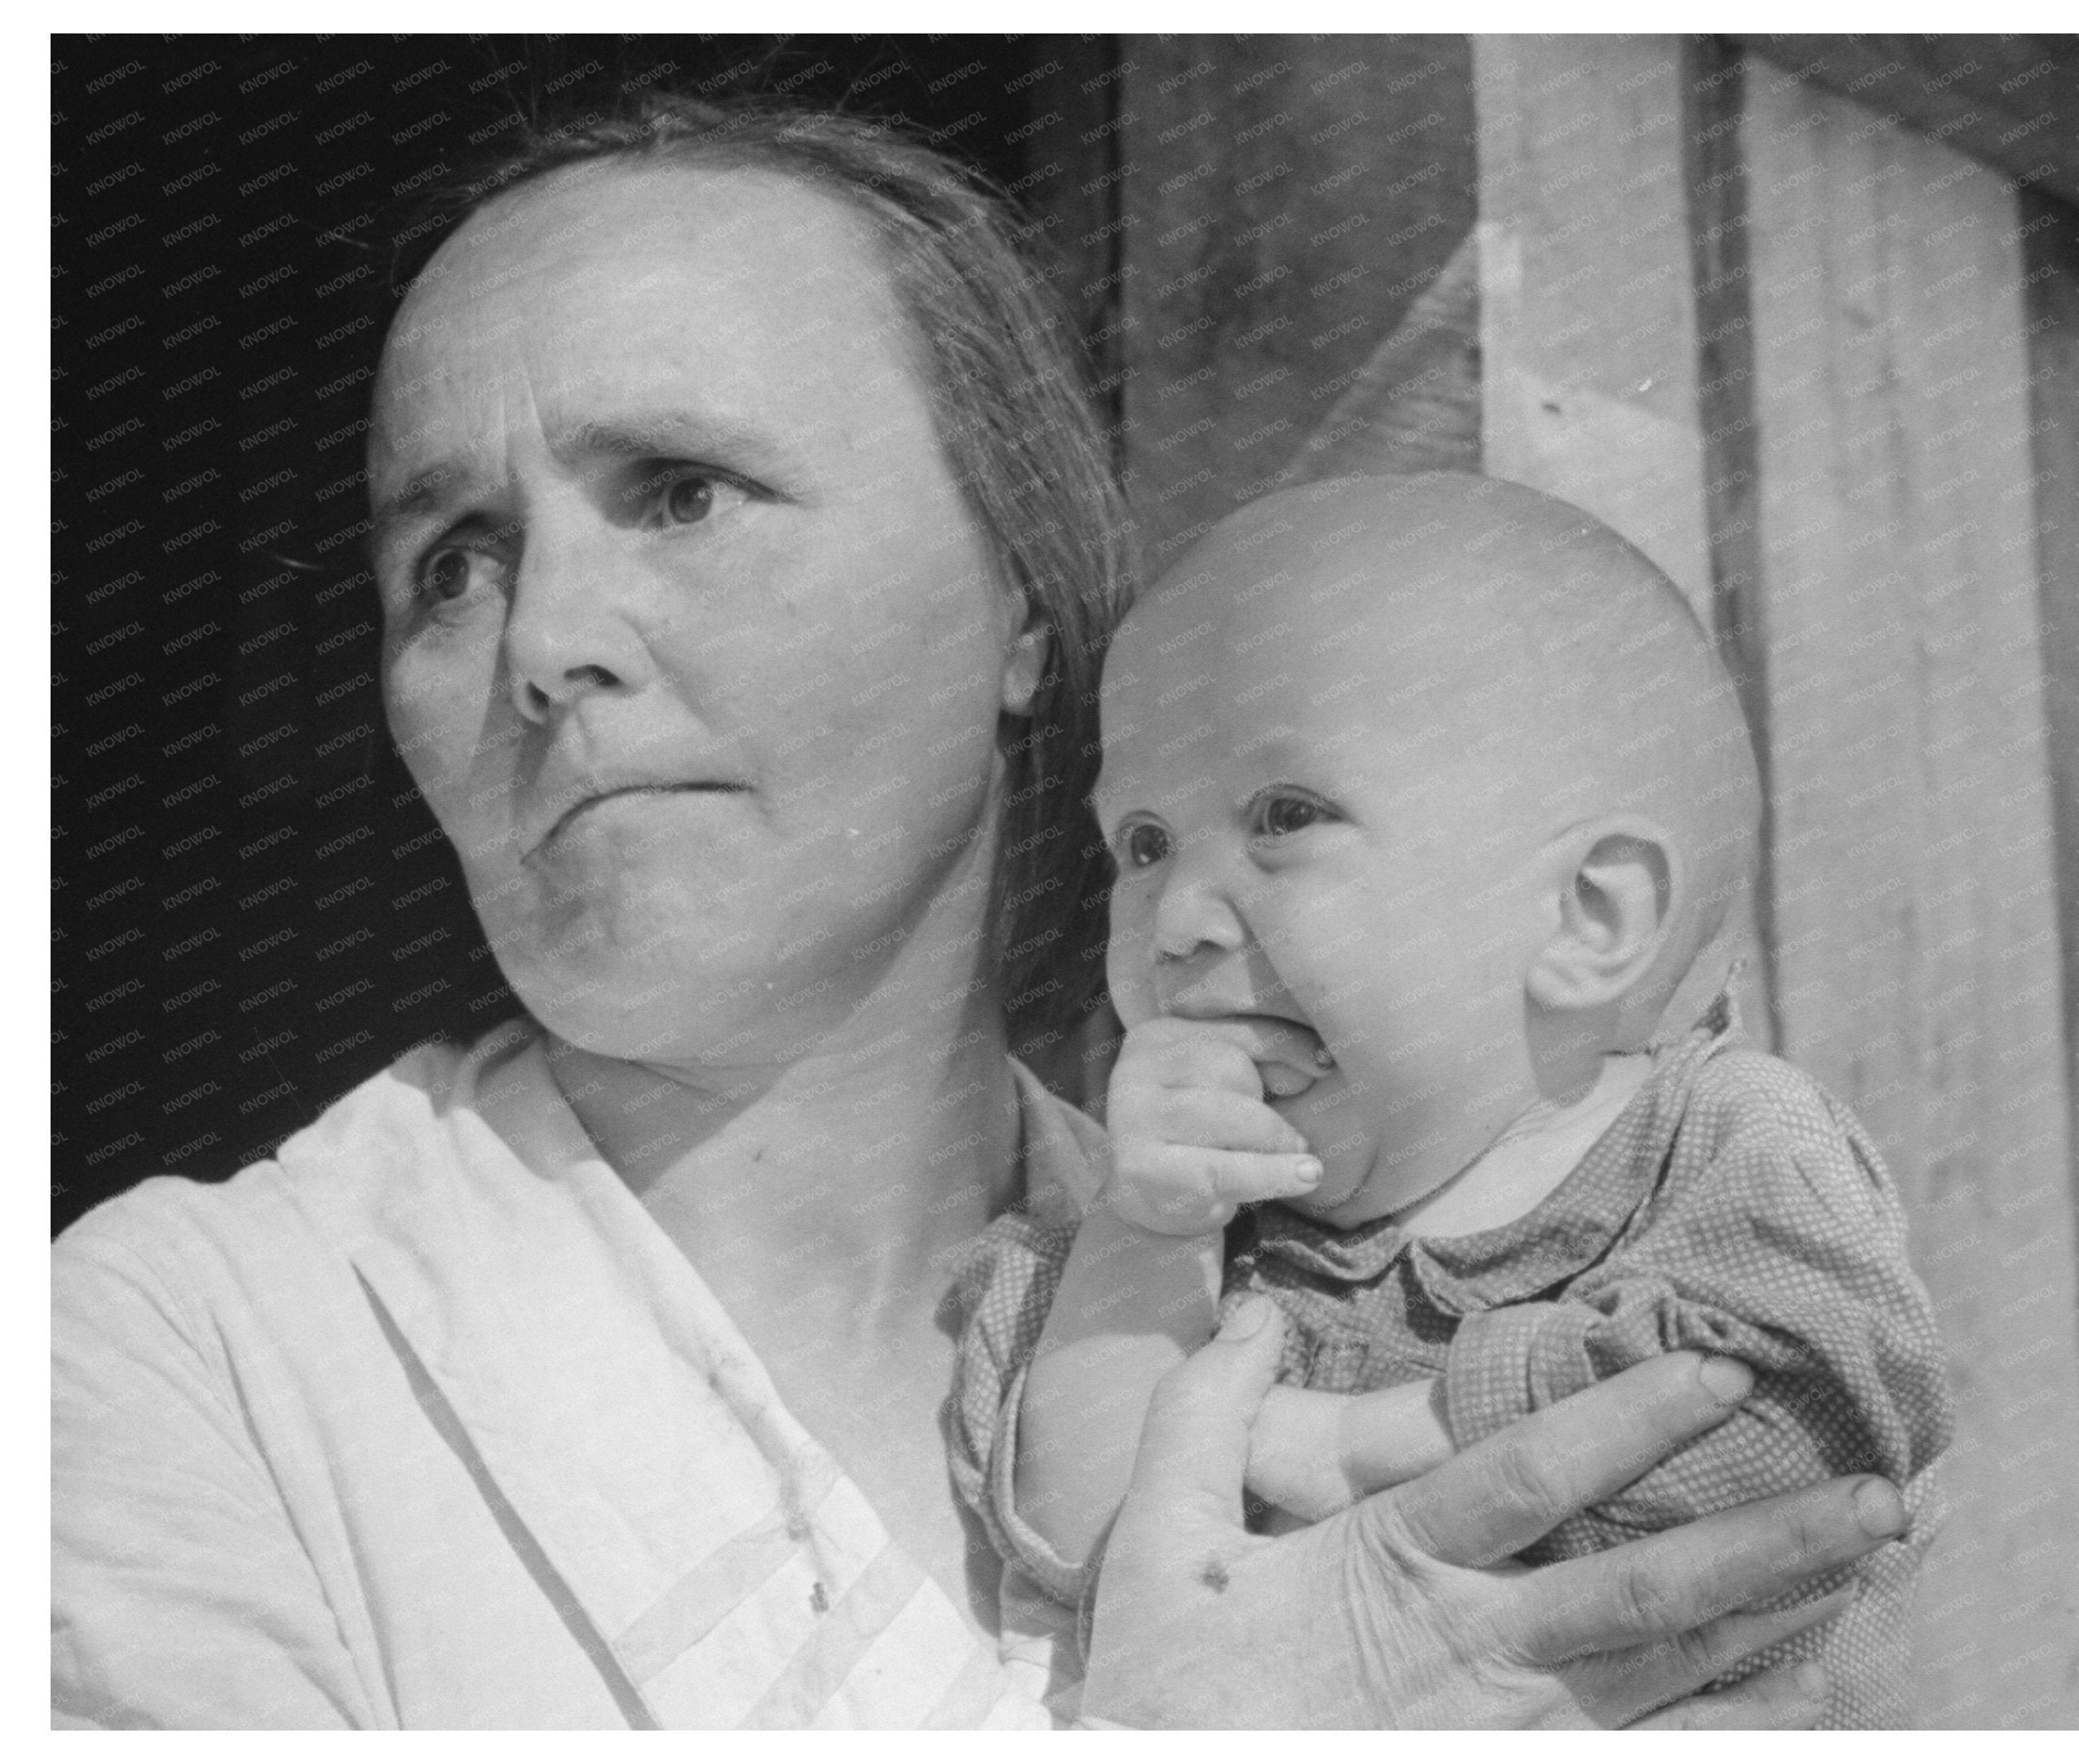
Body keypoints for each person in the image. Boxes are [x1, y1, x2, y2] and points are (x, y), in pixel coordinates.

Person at [51, 96, 1910, 1729]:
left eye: (682, 491)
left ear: (1021, 595)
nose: (543, 644)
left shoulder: (1330, 1283)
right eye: (450, 561)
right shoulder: (170, 1357)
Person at [948, 475, 1950, 1726]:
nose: (1180, 921)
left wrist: (1373, 1440)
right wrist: (1140, 1244)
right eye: (1142, 844)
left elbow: (1812, 1435)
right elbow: (1093, 1556)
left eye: (1284, 818)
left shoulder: (1723, 1148)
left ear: (1589, 922)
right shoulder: (1196, 1252)